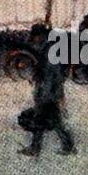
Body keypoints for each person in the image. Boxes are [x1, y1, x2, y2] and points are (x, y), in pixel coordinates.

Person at [17, 23, 75, 156]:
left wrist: (45, 94)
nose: (34, 40)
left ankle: (36, 148)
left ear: (41, 36)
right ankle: (66, 145)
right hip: (49, 92)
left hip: (48, 93)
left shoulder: (49, 51)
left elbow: (51, 75)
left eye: (36, 37)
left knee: (43, 120)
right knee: (51, 121)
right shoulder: (47, 49)